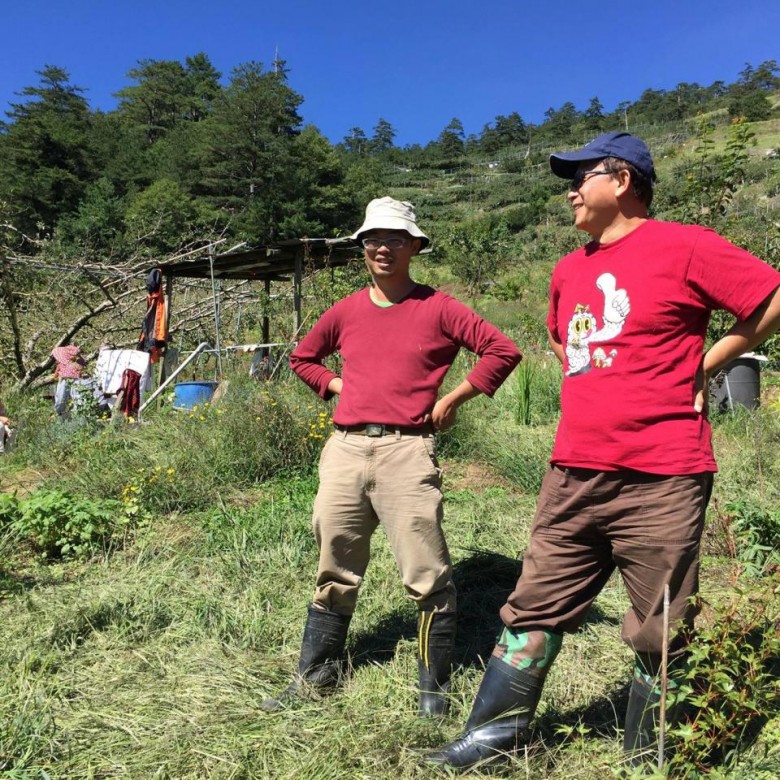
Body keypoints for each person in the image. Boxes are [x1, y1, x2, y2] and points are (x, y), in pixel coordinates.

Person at [428, 131, 780, 770]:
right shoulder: (570, 268)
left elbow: (773, 295)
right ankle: (493, 736)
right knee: (534, 601)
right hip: (574, 471)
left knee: (659, 622)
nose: (569, 191)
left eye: (580, 176)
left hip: (664, 473)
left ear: (622, 181)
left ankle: (645, 750)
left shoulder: (686, 245)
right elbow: (566, 341)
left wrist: (709, 361)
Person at [261, 196, 521, 716]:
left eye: (395, 239)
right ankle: (315, 676)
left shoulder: (439, 307)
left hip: (407, 451)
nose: (383, 247)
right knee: (334, 564)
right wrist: (337, 385)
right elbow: (302, 357)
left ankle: (433, 691)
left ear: (414, 246)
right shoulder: (346, 310)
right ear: (362, 247)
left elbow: (503, 349)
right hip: (346, 449)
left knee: (426, 571)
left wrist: (452, 399)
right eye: (373, 239)